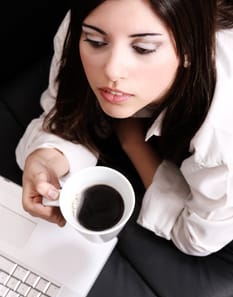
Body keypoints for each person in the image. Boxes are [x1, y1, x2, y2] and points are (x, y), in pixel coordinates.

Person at [16, 0, 233, 256]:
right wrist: (50, 155)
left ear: (190, 49)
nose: (112, 70)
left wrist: (132, 140)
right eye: (97, 42)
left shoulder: (221, 130)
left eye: (143, 48)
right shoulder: (94, 22)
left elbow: (197, 238)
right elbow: (63, 107)